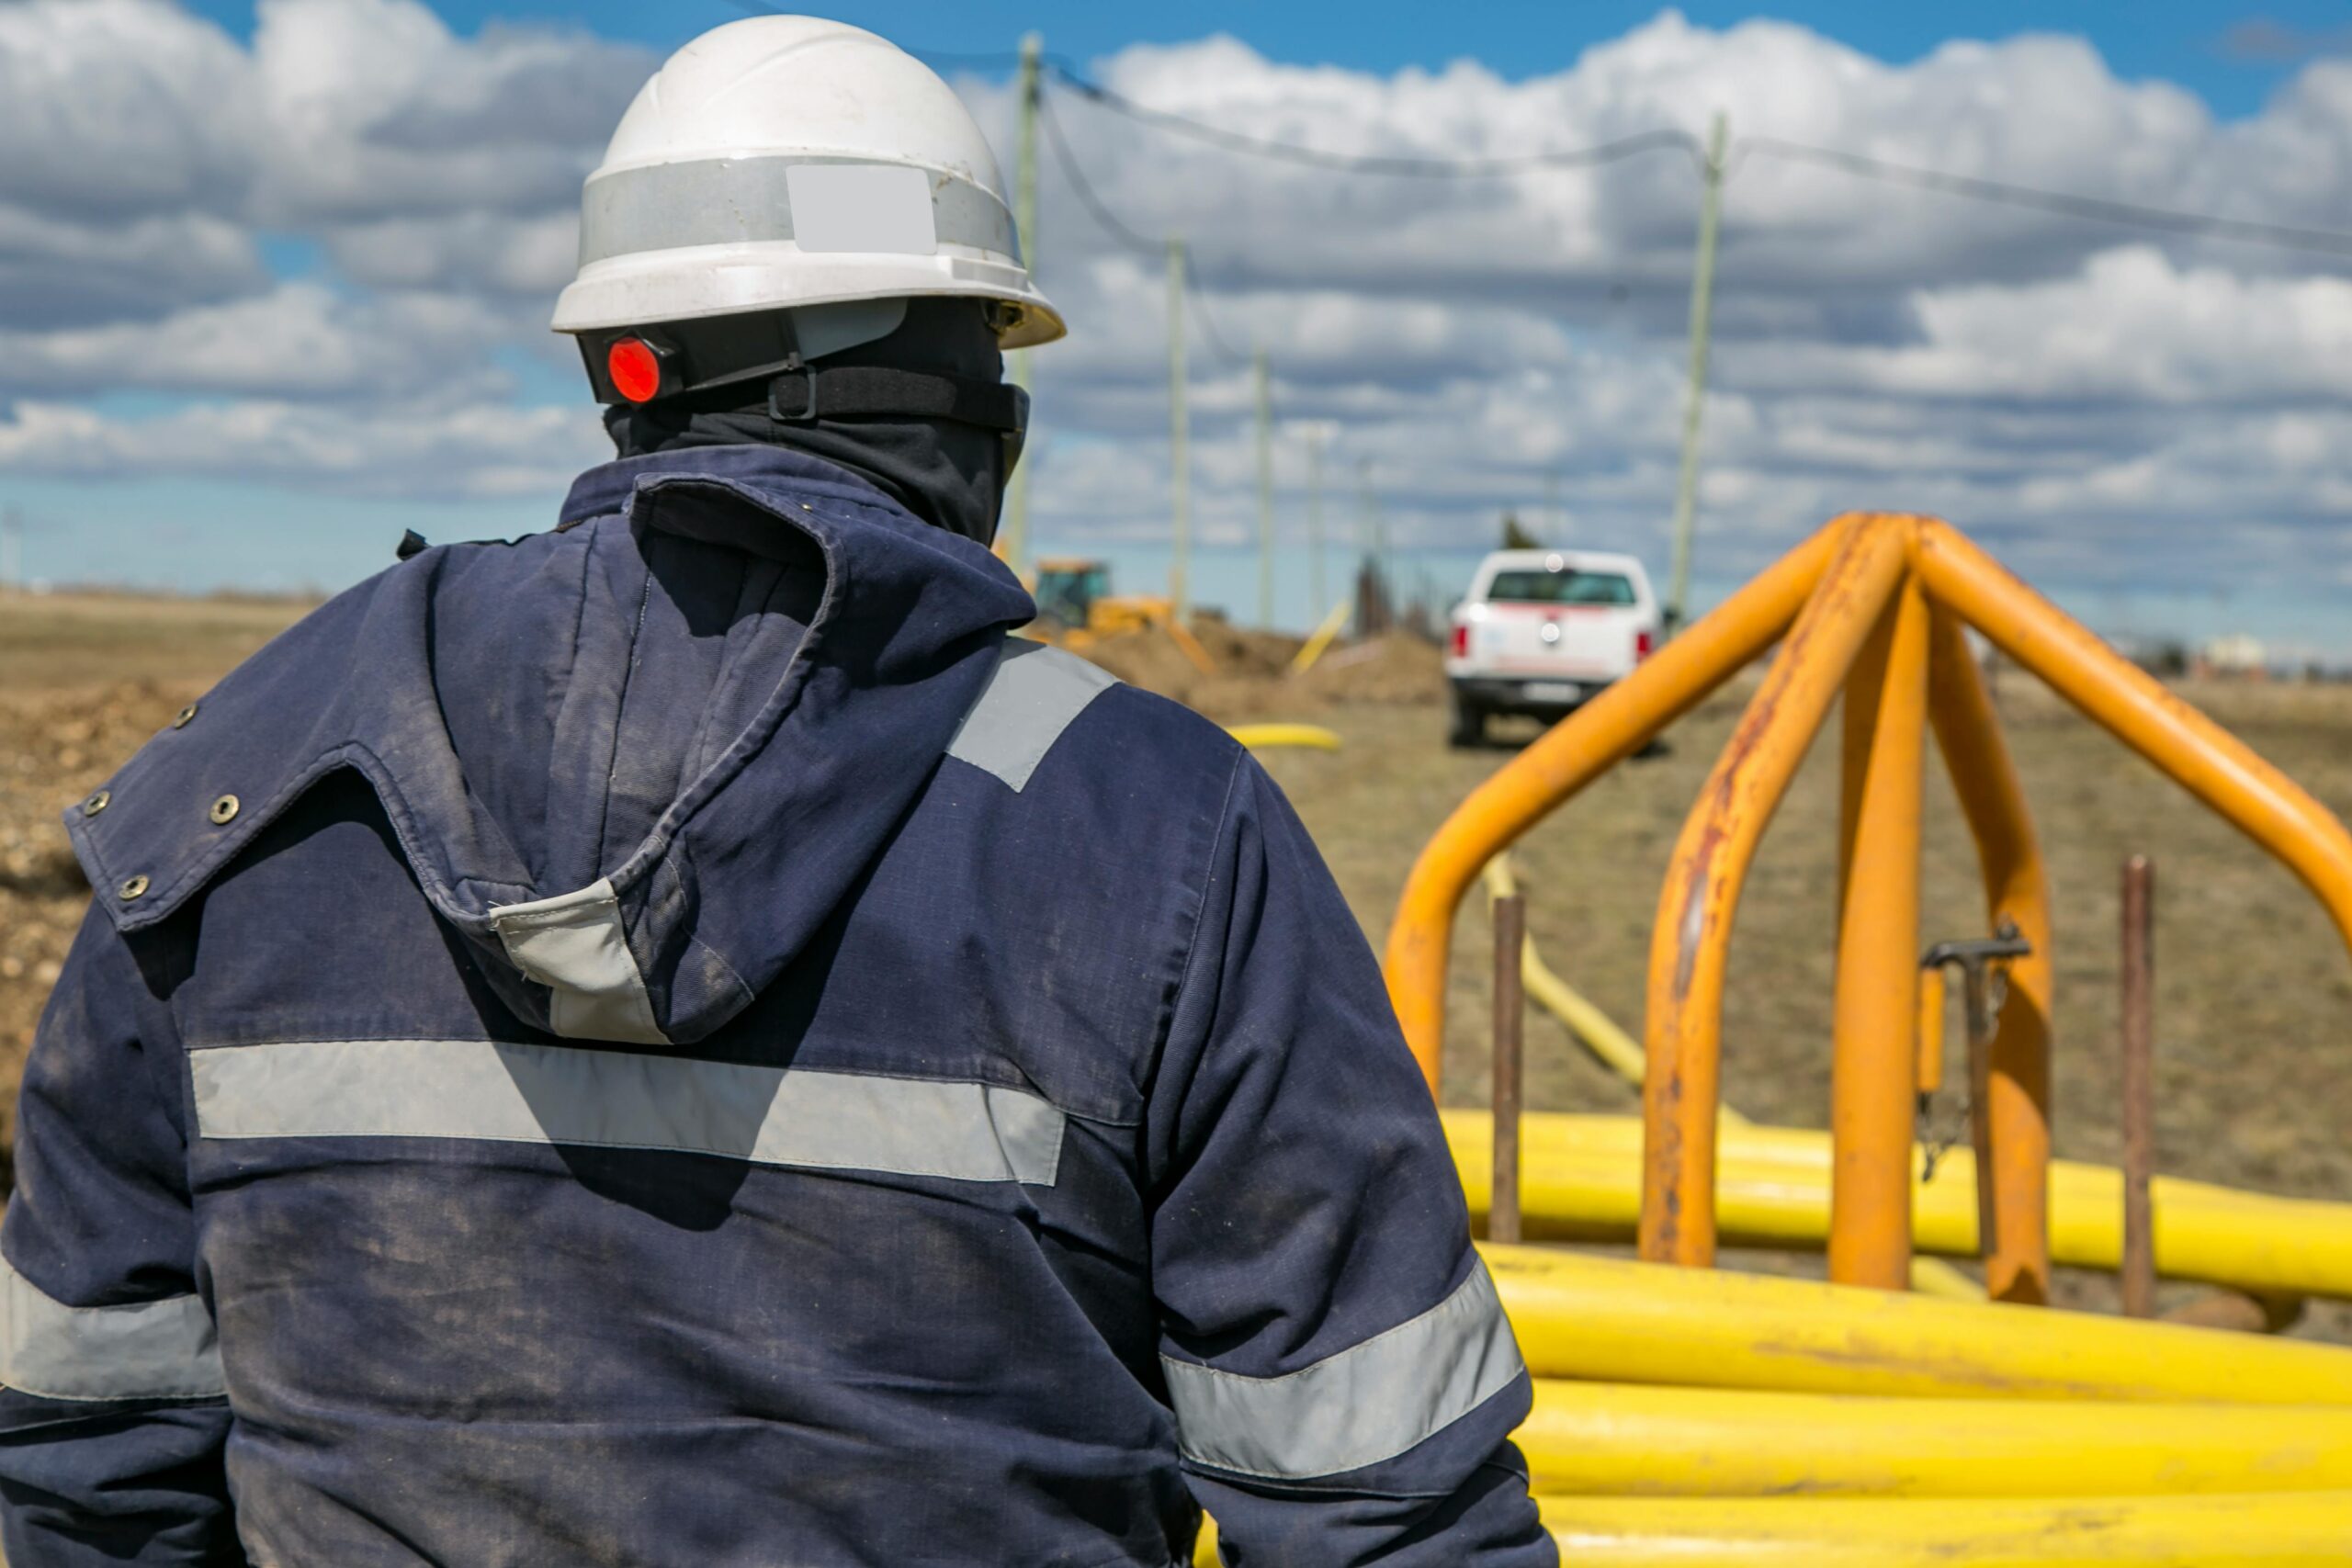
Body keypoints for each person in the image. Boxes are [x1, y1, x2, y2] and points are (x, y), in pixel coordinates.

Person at [0, 17, 1551, 1566]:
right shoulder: (1152, 824)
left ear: (628, 372)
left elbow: (83, 1463)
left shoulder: (237, 789)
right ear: (951, 392)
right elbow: (1386, 1509)